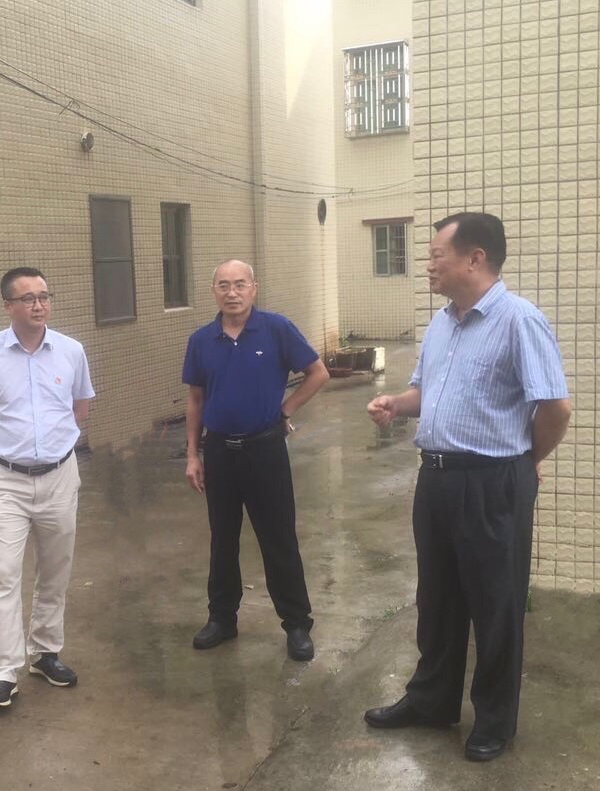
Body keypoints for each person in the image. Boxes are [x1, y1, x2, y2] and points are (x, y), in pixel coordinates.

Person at [363, 212, 571, 762]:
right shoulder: (442, 323)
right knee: (437, 597)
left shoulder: (519, 320)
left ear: (475, 259)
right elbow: (425, 392)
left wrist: (526, 461)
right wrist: (396, 405)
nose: (428, 265)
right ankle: (432, 701)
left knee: (495, 602)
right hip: (435, 479)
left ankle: (495, 720)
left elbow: (555, 407)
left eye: (437, 255)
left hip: (491, 482)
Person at [182, 259, 329, 660]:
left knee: (278, 538)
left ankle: (296, 624)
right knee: (222, 539)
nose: (232, 293)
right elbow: (195, 398)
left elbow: (318, 373)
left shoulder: (276, 329)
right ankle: (222, 619)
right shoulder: (201, 340)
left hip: (265, 450)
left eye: (240, 284)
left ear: (254, 288)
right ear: (213, 291)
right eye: (224, 285)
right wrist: (193, 454)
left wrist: (285, 410)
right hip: (219, 453)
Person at [0, 267, 95, 711]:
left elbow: (80, 406)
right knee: (4, 576)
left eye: (44, 296)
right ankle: (3, 672)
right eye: (28, 298)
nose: (38, 305)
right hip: (7, 482)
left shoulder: (71, 351)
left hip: (60, 476)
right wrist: (15, 445)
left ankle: (45, 653)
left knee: (56, 569)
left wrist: (52, 446)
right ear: (8, 306)